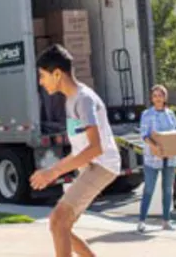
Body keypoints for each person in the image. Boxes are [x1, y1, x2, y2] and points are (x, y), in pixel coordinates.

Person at [30, 44, 121, 257]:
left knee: (58, 221)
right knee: (59, 226)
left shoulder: (84, 99)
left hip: (101, 166)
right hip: (91, 166)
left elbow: (95, 147)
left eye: (43, 76)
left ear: (57, 74)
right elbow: (81, 149)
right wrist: (54, 170)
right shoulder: (72, 101)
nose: (41, 82)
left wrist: (53, 172)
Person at [137, 84, 176, 233]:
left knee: (168, 190)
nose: (158, 98)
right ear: (151, 98)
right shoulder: (146, 114)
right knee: (148, 189)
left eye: (160, 95)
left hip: (170, 158)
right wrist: (154, 147)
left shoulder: (171, 114)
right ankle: (142, 221)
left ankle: (166, 221)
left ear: (165, 97)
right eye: (155, 95)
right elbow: (144, 134)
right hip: (152, 158)